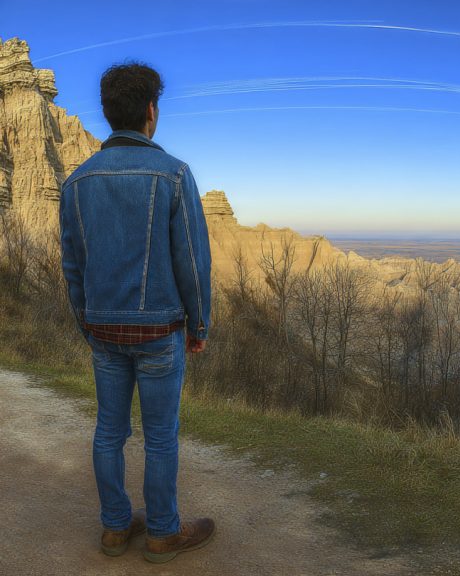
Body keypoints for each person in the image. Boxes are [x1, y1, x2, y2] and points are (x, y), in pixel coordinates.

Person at [59, 61, 214, 564]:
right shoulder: (173, 174)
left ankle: (114, 528)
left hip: (104, 330)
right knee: (161, 437)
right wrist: (199, 323)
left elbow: (72, 263)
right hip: (160, 331)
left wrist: (87, 320)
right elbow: (191, 260)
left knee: (109, 431)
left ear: (107, 113)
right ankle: (164, 532)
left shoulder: (77, 183)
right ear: (151, 110)